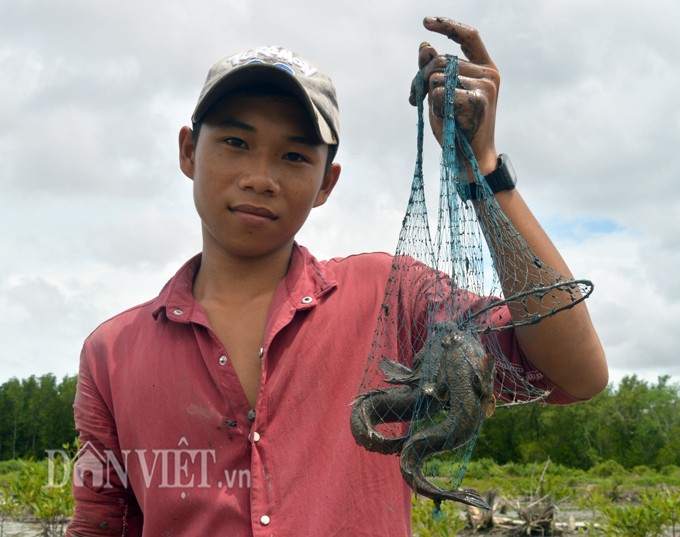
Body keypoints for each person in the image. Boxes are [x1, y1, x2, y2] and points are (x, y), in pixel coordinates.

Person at [66, 16, 608, 537]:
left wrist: (484, 169)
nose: (260, 177)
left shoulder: (392, 295)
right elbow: (101, 523)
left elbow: (576, 374)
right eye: (235, 142)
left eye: (295, 156)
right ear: (189, 150)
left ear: (328, 183)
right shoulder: (110, 354)